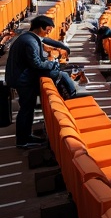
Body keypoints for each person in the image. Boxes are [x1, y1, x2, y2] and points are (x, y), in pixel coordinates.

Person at [4, 15, 75, 148]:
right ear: (40, 28)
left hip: (22, 78)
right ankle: (22, 141)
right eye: (48, 29)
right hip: (22, 81)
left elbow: (46, 40)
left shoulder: (29, 36)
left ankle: (26, 136)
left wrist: (63, 46)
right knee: (26, 109)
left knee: (28, 109)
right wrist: (52, 63)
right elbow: (37, 64)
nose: (49, 32)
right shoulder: (30, 42)